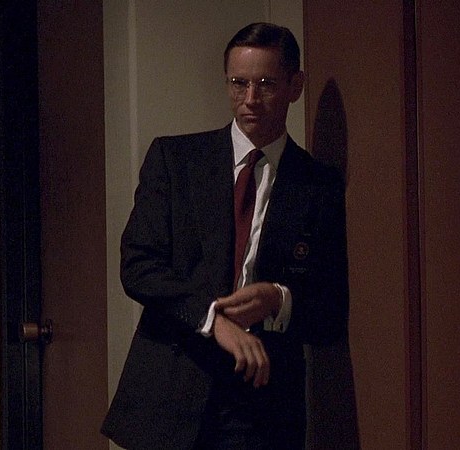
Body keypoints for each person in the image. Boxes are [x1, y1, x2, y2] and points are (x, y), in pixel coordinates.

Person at [101, 23, 349, 449]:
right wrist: (212, 319)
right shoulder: (176, 160)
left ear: (295, 86)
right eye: (238, 83)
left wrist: (278, 299)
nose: (250, 98)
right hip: (172, 385)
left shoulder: (317, 185)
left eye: (266, 84)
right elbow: (138, 266)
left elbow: (330, 312)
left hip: (263, 401)